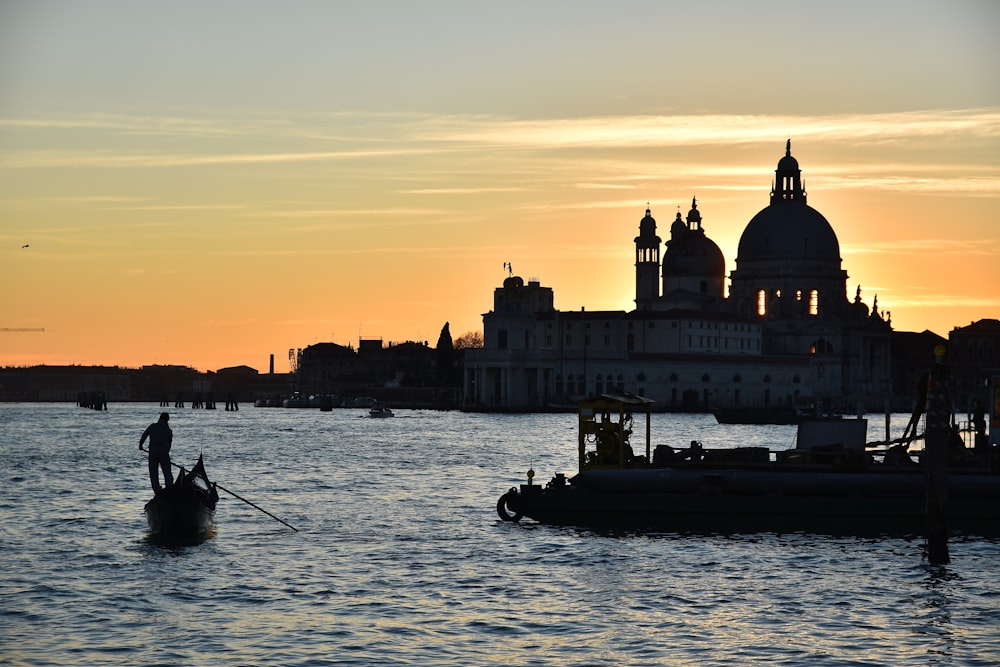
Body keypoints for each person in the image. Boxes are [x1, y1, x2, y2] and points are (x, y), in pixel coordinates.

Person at [140, 412, 173, 493]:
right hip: (164, 453)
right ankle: (169, 489)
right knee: (167, 473)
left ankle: (157, 490)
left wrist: (140, 445)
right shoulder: (168, 430)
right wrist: (166, 452)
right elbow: (169, 444)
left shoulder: (152, 426)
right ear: (167, 420)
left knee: (153, 474)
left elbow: (144, 436)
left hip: (153, 453)